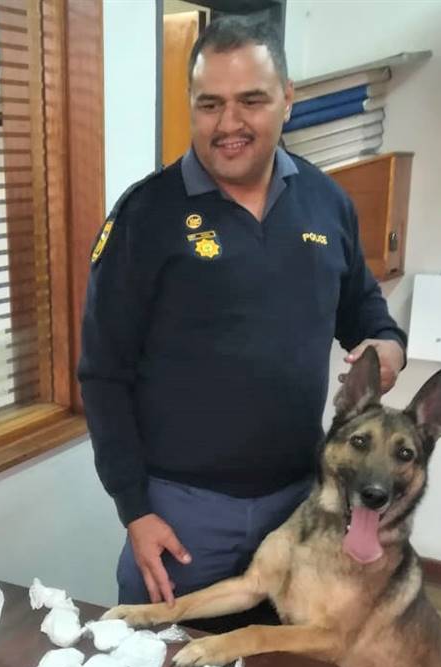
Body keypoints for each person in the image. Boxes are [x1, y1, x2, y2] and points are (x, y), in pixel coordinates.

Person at [78, 16, 407, 625]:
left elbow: (359, 303)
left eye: (251, 100)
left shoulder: (326, 201)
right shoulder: (146, 216)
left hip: (300, 503)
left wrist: (387, 342)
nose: (228, 123)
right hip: (181, 514)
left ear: (287, 98)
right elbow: (102, 373)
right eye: (210, 104)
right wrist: (134, 510)